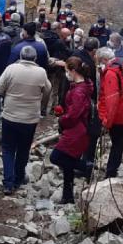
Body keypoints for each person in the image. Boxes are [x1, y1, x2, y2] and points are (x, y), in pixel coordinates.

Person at [0, 45, 52, 194]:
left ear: (20, 56)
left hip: (10, 114)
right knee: (23, 148)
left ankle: (8, 182)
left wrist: (8, 95)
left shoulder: (11, 69)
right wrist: (39, 100)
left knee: (8, 148)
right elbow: (48, 89)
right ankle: (19, 177)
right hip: (30, 117)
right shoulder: (41, 72)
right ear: (35, 58)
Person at [50, 57, 95, 203]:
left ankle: (86, 167)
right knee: (68, 162)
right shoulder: (83, 86)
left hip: (75, 131)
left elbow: (74, 114)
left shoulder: (78, 91)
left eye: (67, 70)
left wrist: (63, 119)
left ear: (73, 71)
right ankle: (67, 196)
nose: (66, 73)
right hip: (79, 129)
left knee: (56, 157)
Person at [96, 47, 123, 178]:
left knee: (116, 144)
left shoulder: (111, 74)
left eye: (100, 61)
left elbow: (112, 100)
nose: (99, 64)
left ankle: (110, 172)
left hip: (115, 116)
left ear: (105, 60)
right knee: (119, 144)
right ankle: (113, 169)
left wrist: (107, 121)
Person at [76, 38, 101, 178]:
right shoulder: (90, 65)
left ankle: (83, 162)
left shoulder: (76, 54)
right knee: (86, 135)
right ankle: (84, 164)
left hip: (84, 103)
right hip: (87, 104)